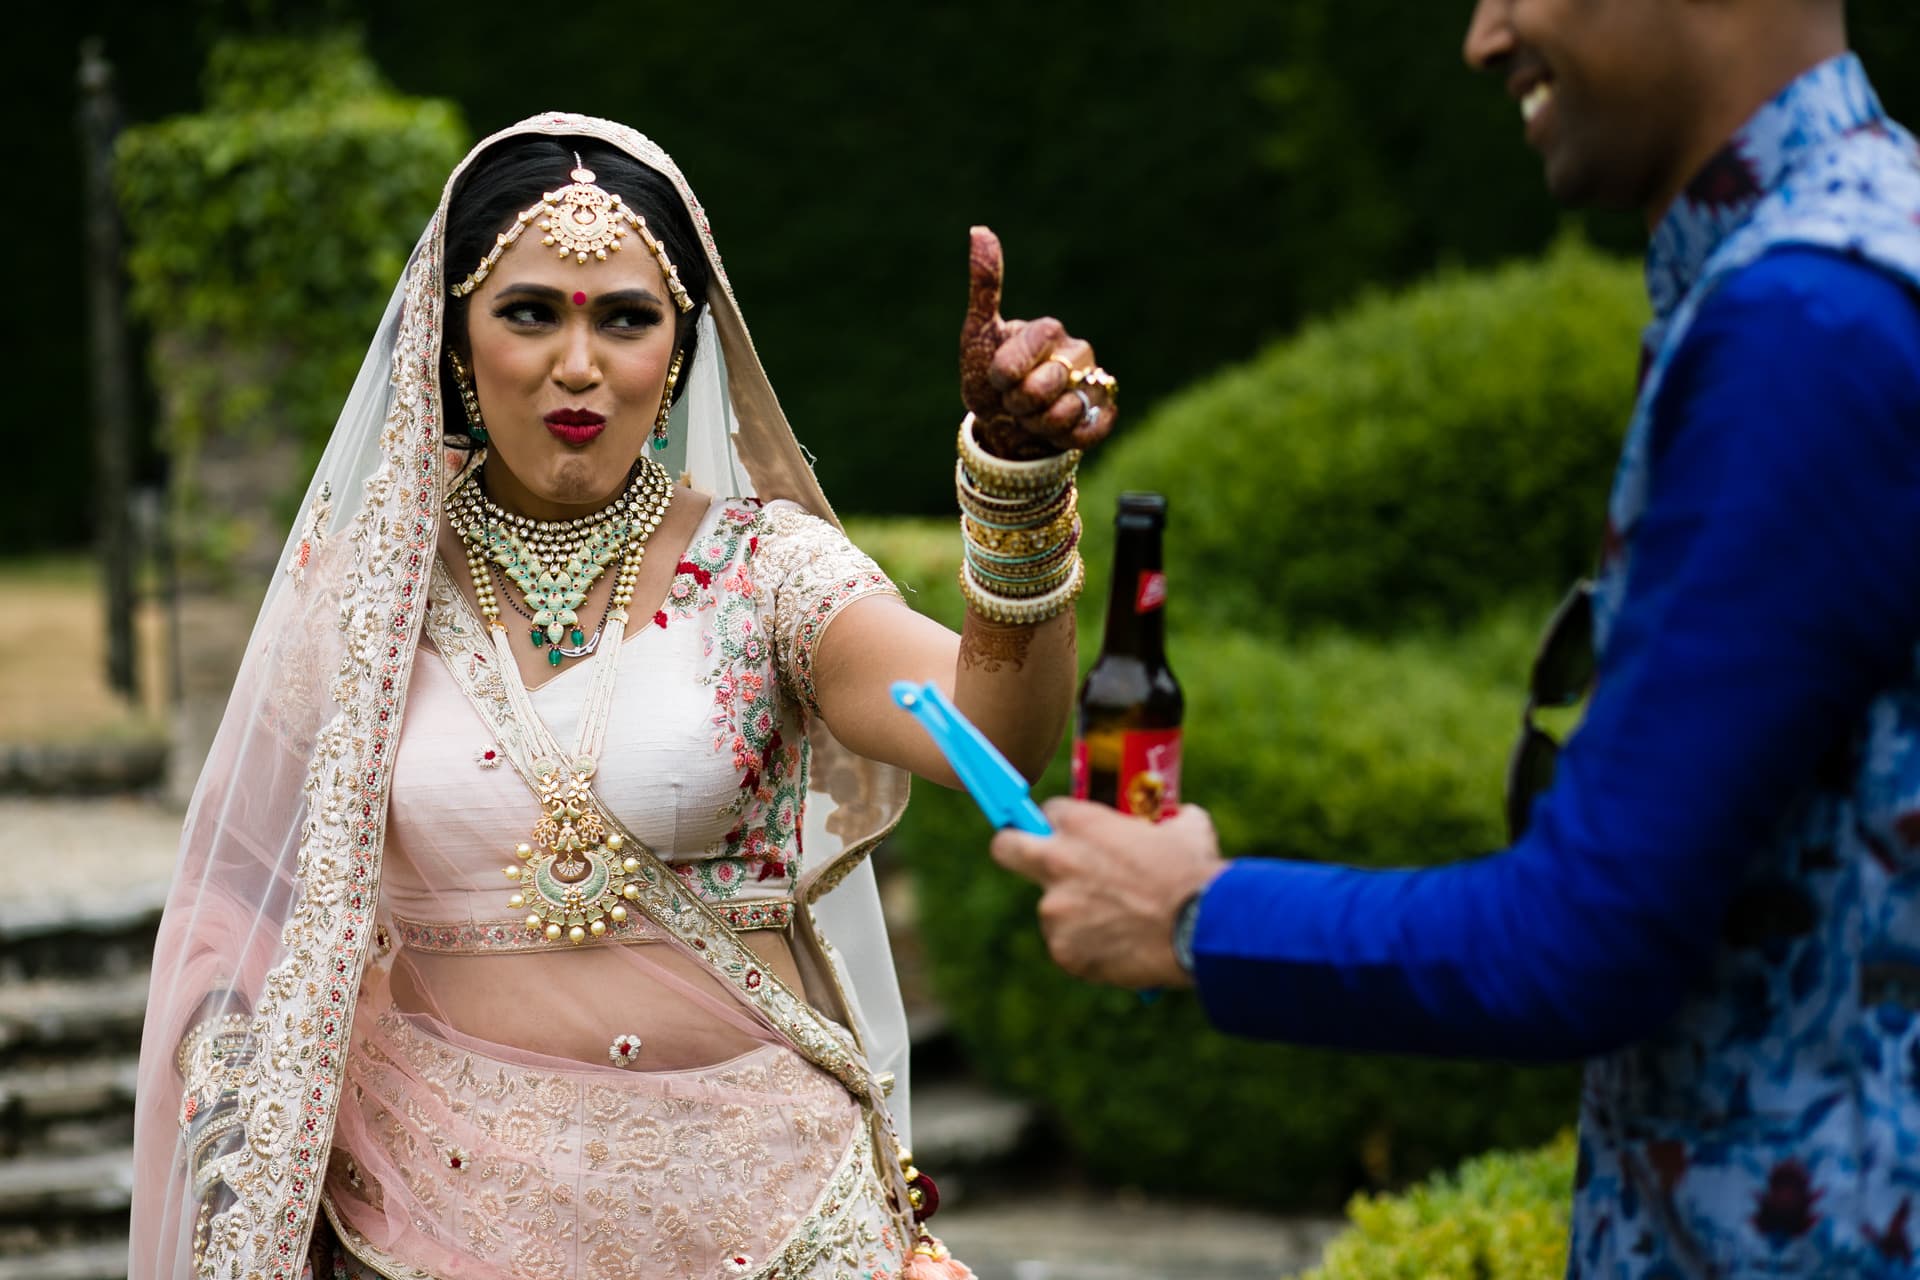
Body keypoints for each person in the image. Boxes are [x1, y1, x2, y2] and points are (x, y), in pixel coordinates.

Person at [990, 1, 1920, 1274]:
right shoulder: (1868, 241)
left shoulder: (1803, 325)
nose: (1484, 39)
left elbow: (1588, 937)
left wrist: (1198, 913)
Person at [130, 113, 1118, 1280]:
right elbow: (239, 894)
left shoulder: (768, 576)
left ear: (681, 348)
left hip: (776, 1214)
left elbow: (994, 735)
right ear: (455, 338)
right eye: (531, 311)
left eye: (627, 318)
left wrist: (1015, 489)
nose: (580, 365)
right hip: (432, 1224)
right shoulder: (364, 600)